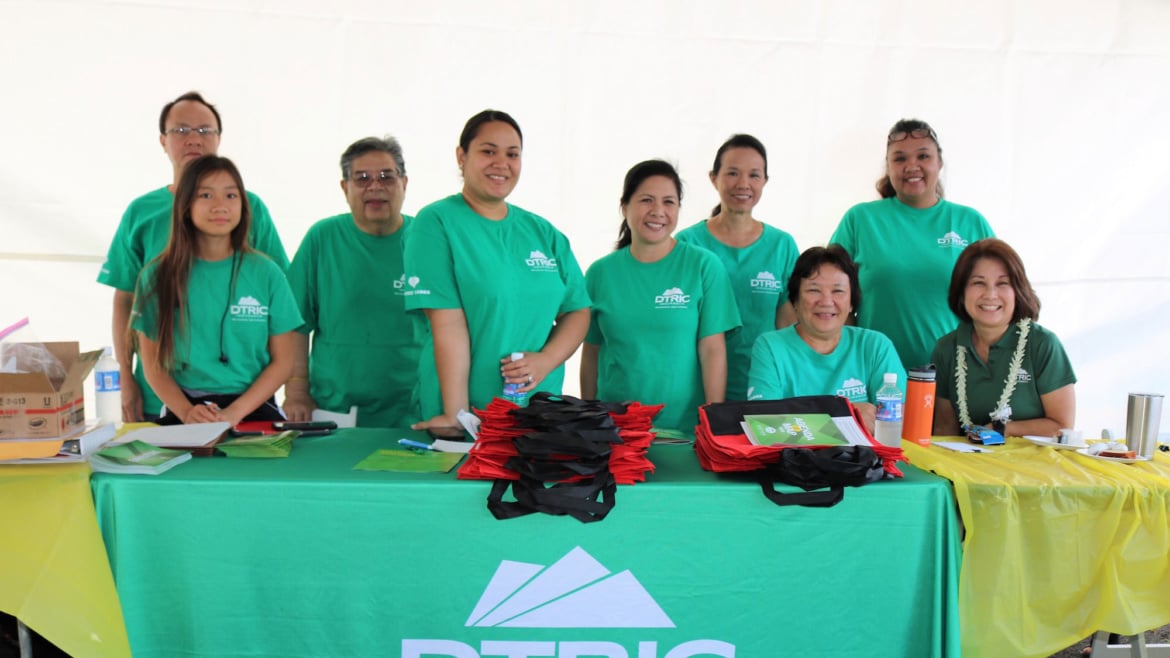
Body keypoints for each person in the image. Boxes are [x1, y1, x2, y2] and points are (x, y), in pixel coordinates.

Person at [98, 91, 289, 422]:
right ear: (163, 140)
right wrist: (125, 379)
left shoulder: (252, 209)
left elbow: (281, 315)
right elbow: (125, 301)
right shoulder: (140, 214)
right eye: (181, 130)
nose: (193, 140)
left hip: (247, 396)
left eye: (205, 130)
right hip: (162, 391)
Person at [403, 110, 590, 433]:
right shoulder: (436, 222)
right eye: (488, 151)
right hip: (467, 418)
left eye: (512, 154)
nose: (501, 163)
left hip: (537, 416)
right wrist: (457, 414)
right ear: (462, 156)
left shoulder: (542, 232)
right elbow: (448, 323)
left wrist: (545, 360)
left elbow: (577, 310)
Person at [131, 156, 302, 425]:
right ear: (186, 205)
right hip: (185, 410)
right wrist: (187, 412)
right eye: (206, 195)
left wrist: (234, 413)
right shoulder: (155, 276)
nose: (220, 206)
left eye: (231, 195)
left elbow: (283, 363)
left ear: (244, 206)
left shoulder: (268, 274)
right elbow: (152, 365)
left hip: (254, 408)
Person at [581, 159, 741, 432]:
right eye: (646, 200)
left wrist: (712, 423)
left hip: (685, 428)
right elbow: (591, 352)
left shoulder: (703, 266)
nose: (658, 211)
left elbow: (713, 350)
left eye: (669, 202)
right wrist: (591, 420)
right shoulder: (600, 273)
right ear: (624, 207)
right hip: (617, 429)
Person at [830, 118, 994, 369]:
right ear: (888, 167)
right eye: (900, 158)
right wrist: (852, 350)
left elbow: (1000, 297)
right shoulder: (861, 219)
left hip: (956, 378)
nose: (912, 166)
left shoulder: (970, 222)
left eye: (923, 156)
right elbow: (829, 292)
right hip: (875, 375)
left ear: (939, 163)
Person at [282, 137, 422, 427]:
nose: (375, 186)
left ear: (404, 183)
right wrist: (296, 392)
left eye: (386, 176)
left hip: (416, 406)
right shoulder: (322, 238)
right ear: (345, 188)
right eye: (362, 178)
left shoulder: (426, 239)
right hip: (334, 407)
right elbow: (294, 325)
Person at [676, 134, 799, 402]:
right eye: (732, 173)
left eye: (754, 175)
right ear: (713, 178)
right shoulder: (687, 243)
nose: (743, 184)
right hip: (696, 389)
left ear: (765, 181)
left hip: (761, 388)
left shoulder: (782, 245)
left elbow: (788, 323)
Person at [748, 245, 904, 434]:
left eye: (838, 291)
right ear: (795, 300)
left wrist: (804, 419)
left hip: (864, 462)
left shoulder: (875, 346)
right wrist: (847, 413)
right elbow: (764, 423)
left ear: (852, 302)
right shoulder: (770, 347)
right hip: (792, 461)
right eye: (814, 290)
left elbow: (896, 423)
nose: (826, 302)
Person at [932, 239, 1076, 438]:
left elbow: (1063, 427)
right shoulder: (947, 348)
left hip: (1035, 466)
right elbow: (944, 429)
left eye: (1002, 283)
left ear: (1018, 290)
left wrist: (1002, 429)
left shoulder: (1043, 344)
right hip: (969, 465)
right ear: (961, 292)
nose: (991, 294)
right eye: (978, 283)